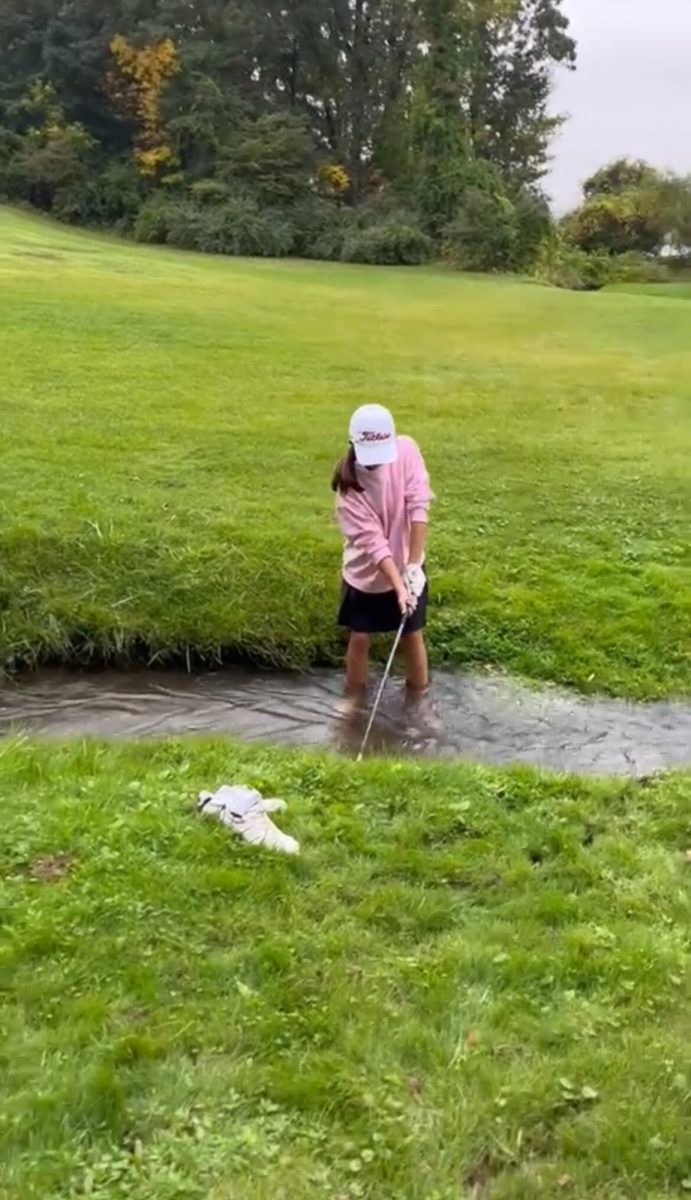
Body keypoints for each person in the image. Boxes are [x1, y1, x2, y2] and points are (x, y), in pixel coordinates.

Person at [332, 403, 433, 705]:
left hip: (407, 564)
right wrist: (398, 585)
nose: (376, 465)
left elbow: (418, 505)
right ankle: (353, 701)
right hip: (366, 573)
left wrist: (413, 567)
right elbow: (375, 544)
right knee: (360, 637)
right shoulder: (348, 490)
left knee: (412, 635)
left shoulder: (407, 451)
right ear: (354, 445)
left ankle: (419, 701)